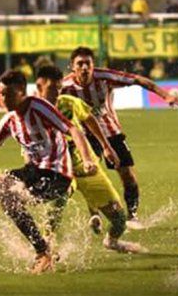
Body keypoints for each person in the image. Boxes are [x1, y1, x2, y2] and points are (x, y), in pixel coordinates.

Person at [0, 70, 97, 273]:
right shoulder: (10, 119)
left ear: (22, 90)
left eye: (8, 94)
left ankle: (43, 252)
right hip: (34, 172)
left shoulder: (38, 107)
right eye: (1, 94)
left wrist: (87, 160)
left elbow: (72, 129)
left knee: (9, 199)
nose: (4, 99)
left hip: (57, 175)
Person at [60, 47, 178, 229]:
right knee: (90, 173)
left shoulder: (104, 77)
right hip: (85, 136)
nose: (84, 67)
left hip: (111, 132)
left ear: (93, 65)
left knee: (128, 176)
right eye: (79, 64)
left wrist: (166, 95)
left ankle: (132, 216)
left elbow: (137, 80)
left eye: (88, 63)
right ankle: (94, 214)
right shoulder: (64, 87)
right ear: (72, 67)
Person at [35, 65, 142, 253]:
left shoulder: (69, 102)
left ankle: (112, 241)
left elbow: (90, 118)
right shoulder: (31, 112)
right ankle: (47, 247)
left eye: (58, 89)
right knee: (57, 203)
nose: (55, 94)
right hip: (60, 170)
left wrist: (107, 148)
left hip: (86, 166)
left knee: (119, 219)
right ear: (39, 87)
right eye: (51, 89)